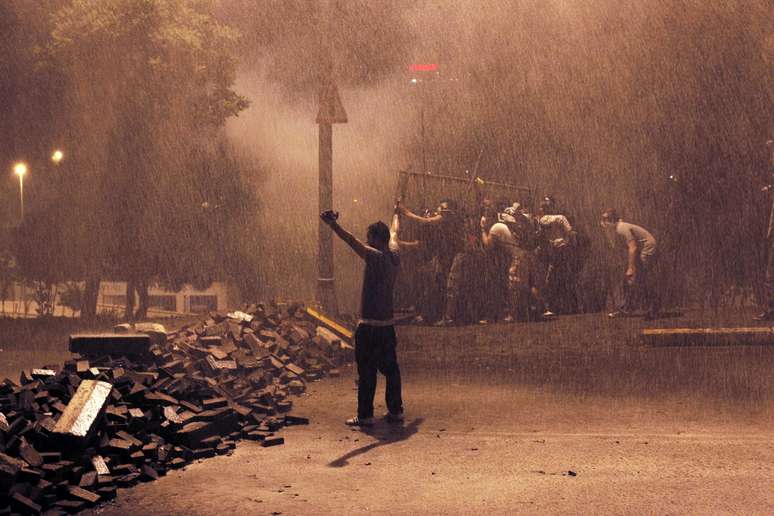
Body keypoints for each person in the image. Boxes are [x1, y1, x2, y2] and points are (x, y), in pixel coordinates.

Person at [320, 209, 404, 426]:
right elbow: (395, 231)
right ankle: (395, 411)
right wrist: (396, 214)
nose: (367, 242)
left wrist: (334, 225)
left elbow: (352, 241)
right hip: (387, 326)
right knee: (391, 369)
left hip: (369, 327)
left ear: (376, 239)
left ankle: (365, 415)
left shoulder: (375, 257)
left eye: (369, 238)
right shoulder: (395, 254)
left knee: (367, 371)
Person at [398, 199, 466, 325]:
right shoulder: (442, 222)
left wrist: (406, 212)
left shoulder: (448, 217)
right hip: (446, 256)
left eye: (442, 207)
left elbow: (426, 221)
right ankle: (434, 314)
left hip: (457, 254)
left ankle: (448, 318)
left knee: (451, 286)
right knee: (439, 283)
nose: (439, 209)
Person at [481, 203, 543, 322]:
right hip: (527, 255)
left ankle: (513, 315)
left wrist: (483, 230)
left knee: (513, 287)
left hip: (518, 256)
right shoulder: (510, 225)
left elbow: (488, 245)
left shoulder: (496, 228)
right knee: (528, 285)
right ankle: (537, 311)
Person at [600, 208, 660, 320]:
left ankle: (653, 309)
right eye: (602, 219)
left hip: (647, 247)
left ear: (612, 221)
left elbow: (633, 248)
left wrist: (631, 268)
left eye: (605, 220)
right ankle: (625, 309)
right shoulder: (615, 230)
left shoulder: (620, 228)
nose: (602, 223)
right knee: (628, 281)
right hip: (641, 249)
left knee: (640, 279)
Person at [537, 196, 576, 316]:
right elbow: (570, 233)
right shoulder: (559, 218)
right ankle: (568, 306)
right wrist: (569, 242)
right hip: (561, 249)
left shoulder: (541, 220)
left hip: (554, 250)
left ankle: (557, 306)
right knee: (563, 278)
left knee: (553, 279)